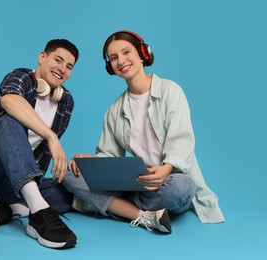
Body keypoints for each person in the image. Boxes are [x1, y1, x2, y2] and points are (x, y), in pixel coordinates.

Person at [63, 30, 225, 234]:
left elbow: (181, 141)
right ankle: (140, 214)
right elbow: (111, 156)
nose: (121, 60)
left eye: (126, 52)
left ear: (142, 53)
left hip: (167, 182)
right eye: (114, 58)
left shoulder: (171, 91)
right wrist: (90, 161)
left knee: (183, 188)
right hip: (136, 182)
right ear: (110, 67)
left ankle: (110, 205)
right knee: (69, 176)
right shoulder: (114, 110)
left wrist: (166, 169)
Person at [0, 39, 79, 249]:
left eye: (69, 66)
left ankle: (5, 208)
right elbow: (9, 100)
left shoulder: (66, 102)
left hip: (11, 180)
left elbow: (39, 159)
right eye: (58, 60)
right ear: (42, 57)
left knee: (67, 189)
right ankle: (38, 213)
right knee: (9, 122)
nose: (62, 69)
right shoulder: (21, 76)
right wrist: (51, 136)